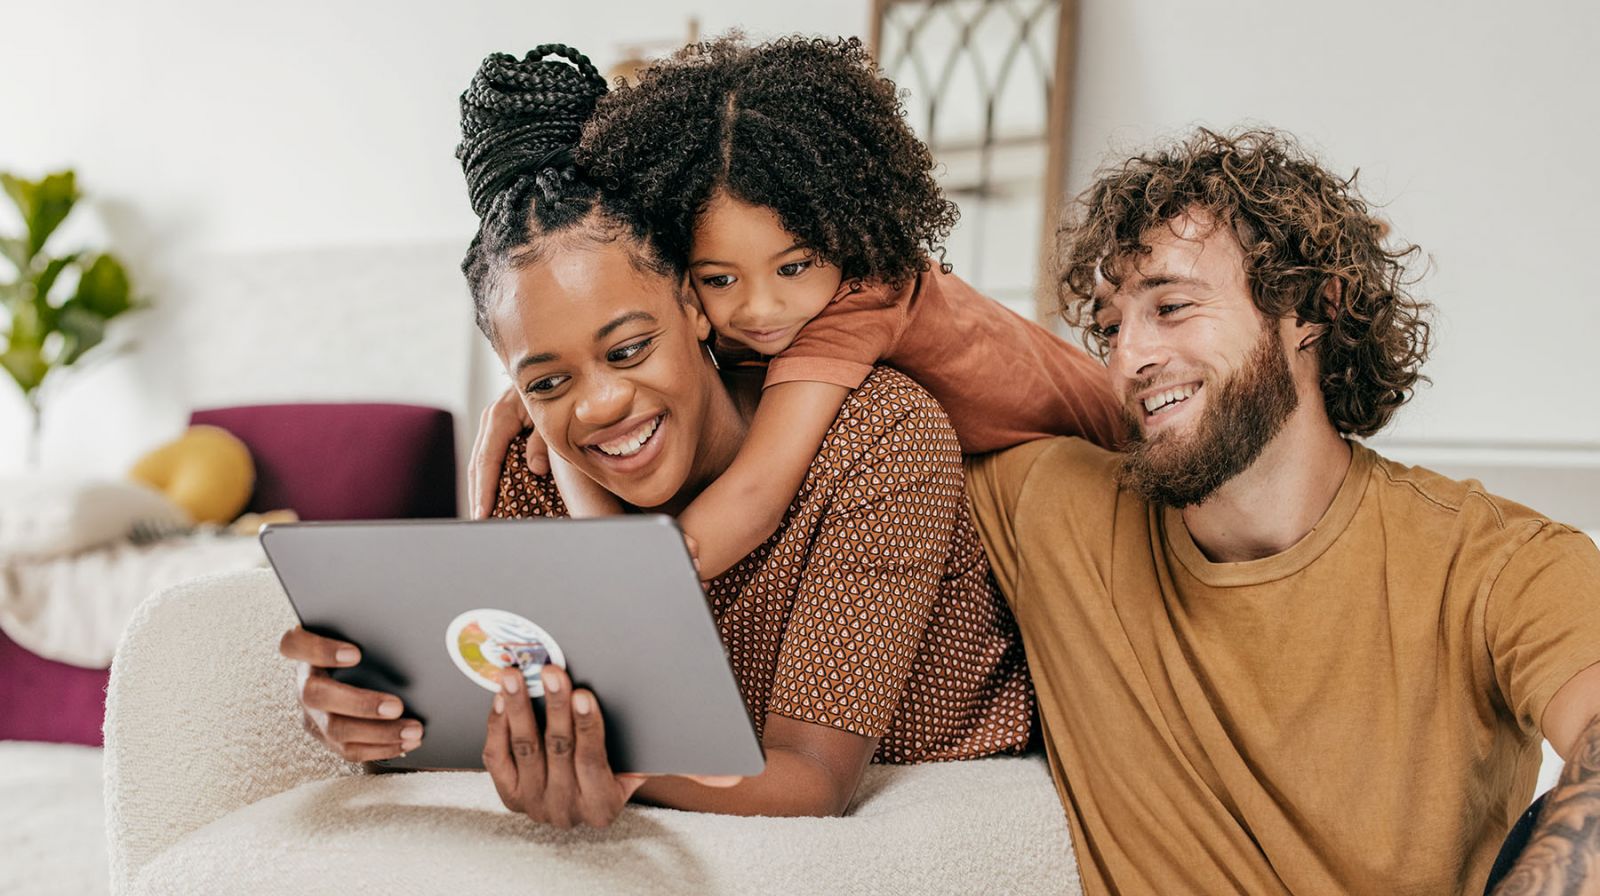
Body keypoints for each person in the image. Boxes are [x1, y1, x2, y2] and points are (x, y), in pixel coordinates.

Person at [281, 45, 1037, 828]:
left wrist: (612, 766)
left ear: (694, 302)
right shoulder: (535, 468)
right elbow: (507, 694)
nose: (601, 404)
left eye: (628, 349)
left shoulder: (877, 436)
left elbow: (810, 781)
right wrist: (385, 714)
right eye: (547, 381)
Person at [964, 127, 1600, 894]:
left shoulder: (1494, 563)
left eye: (1170, 306)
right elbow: (893, 317)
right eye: (1109, 329)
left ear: (1310, 307)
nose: (1129, 360)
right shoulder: (1055, 508)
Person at [471, 36, 1124, 585]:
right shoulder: (780, 310)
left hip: (1121, 455)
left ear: (844, 232)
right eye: (719, 278)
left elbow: (754, 500)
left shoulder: (855, 304)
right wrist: (539, 398)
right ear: (684, 284)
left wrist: (622, 588)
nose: (760, 308)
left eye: (793, 266)